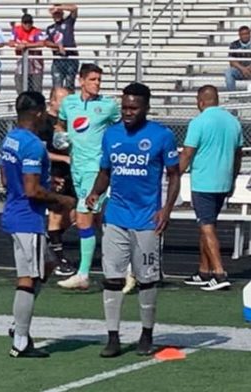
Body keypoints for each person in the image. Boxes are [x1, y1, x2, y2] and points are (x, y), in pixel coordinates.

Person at [86, 82, 181, 358]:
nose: (127, 112)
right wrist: (95, 192)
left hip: (147, 219)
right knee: (112, 278)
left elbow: (174, 174)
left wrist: (166, 209)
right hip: (116, 216)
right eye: (125, 107)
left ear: (146, 108)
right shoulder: (111, 134)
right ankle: (113, 337)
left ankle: (146, 334)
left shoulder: (161, 136)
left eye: (133, 108)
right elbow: (105, 171)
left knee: (146, 280)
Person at [1, 91, 76, 358]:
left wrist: (44, 186)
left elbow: (6, 180)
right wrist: (62, 199)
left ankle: (18, 324)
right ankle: (20, 339)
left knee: (48, 263)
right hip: (27, 218)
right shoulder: (32, 144)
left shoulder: (11, 138)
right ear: (37, 113)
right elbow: (32, 190)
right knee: (29, 278)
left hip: (16, 212)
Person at [54, 63, 121, 290]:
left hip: (96, 169)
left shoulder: (108, 106)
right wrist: (60, 135)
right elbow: (61, 122)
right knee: (102, 221)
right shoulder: (69, 103)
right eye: (93, 79)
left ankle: (83, 274)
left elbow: (120, 128)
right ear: (81, 81)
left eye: (99, 80)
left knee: (83, 217)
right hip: (77, 168)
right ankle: (123, 268)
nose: (97, 84)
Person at [179, 85, 243, 291]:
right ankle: (203, 270)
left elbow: (188, 153)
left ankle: (219, 272)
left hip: (204, 181)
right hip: (223, 181)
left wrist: (175, 174)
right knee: (208, 225)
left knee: (206, 227)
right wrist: (232, 179)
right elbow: (238, 154)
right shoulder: (233, 122)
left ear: (200, 102)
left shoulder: (198, 122)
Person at [37, 87, 76, 276]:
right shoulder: (44, 123)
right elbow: (41, 151)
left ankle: (50, 241)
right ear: (52, 101)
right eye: (62, 100)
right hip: (55, 174)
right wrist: (64, 159)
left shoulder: (69, 122)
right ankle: (58, 260)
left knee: (74, 215)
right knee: (55, 215)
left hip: (71, 175)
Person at [45, 3, 79, 90]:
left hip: (71, 57)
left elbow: (74, 8)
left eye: (59, 13)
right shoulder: (50, 28)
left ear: (62, 13)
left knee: (69, 85)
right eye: (55, 14)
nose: (57, 15)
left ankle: (70, 103)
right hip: (58, 59)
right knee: (57, 85)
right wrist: (58, 46)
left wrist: (58, 7)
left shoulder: (68, 22)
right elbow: (46, 42)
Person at [10, 14, 46, 93]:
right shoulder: (16, 30)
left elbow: (42, 43)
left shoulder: (36, 31)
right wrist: (18, 45)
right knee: (20, 88)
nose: (27, 25)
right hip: (21, 64)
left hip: (35, 66)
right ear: (22, 23)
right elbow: (11, 43)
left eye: (29, 22)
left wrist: (26, 45)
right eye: (25, 22)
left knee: (36, 89)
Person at [225, 26, 251, 91]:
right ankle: (232, 96)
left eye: (247, 33)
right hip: (240, 70)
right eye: (243, 34)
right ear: (239, 35)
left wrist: (249, 68)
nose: (245, 36)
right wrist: (243, 69)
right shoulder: (234, 44)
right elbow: (232, 61)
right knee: (229, 72)